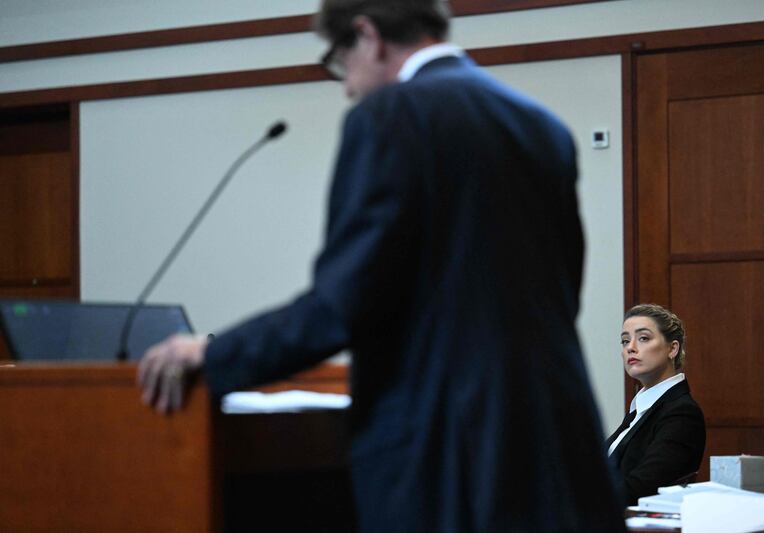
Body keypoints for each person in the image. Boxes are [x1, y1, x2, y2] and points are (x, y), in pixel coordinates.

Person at [138, 0, 625, 530]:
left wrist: (212, 353)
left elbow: (343, 304)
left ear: (368, 35)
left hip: (446, 458)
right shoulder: (540, 125)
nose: (346, 86)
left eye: (340, 63)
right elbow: (560, 292)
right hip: (558, 441)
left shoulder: (390, 114)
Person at [606, 303, 706, 505]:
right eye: (625, 341)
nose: (630, 348)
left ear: (672, 348)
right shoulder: (639, 411)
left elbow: (643, 487)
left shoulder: (682, 413)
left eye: (643, 338)